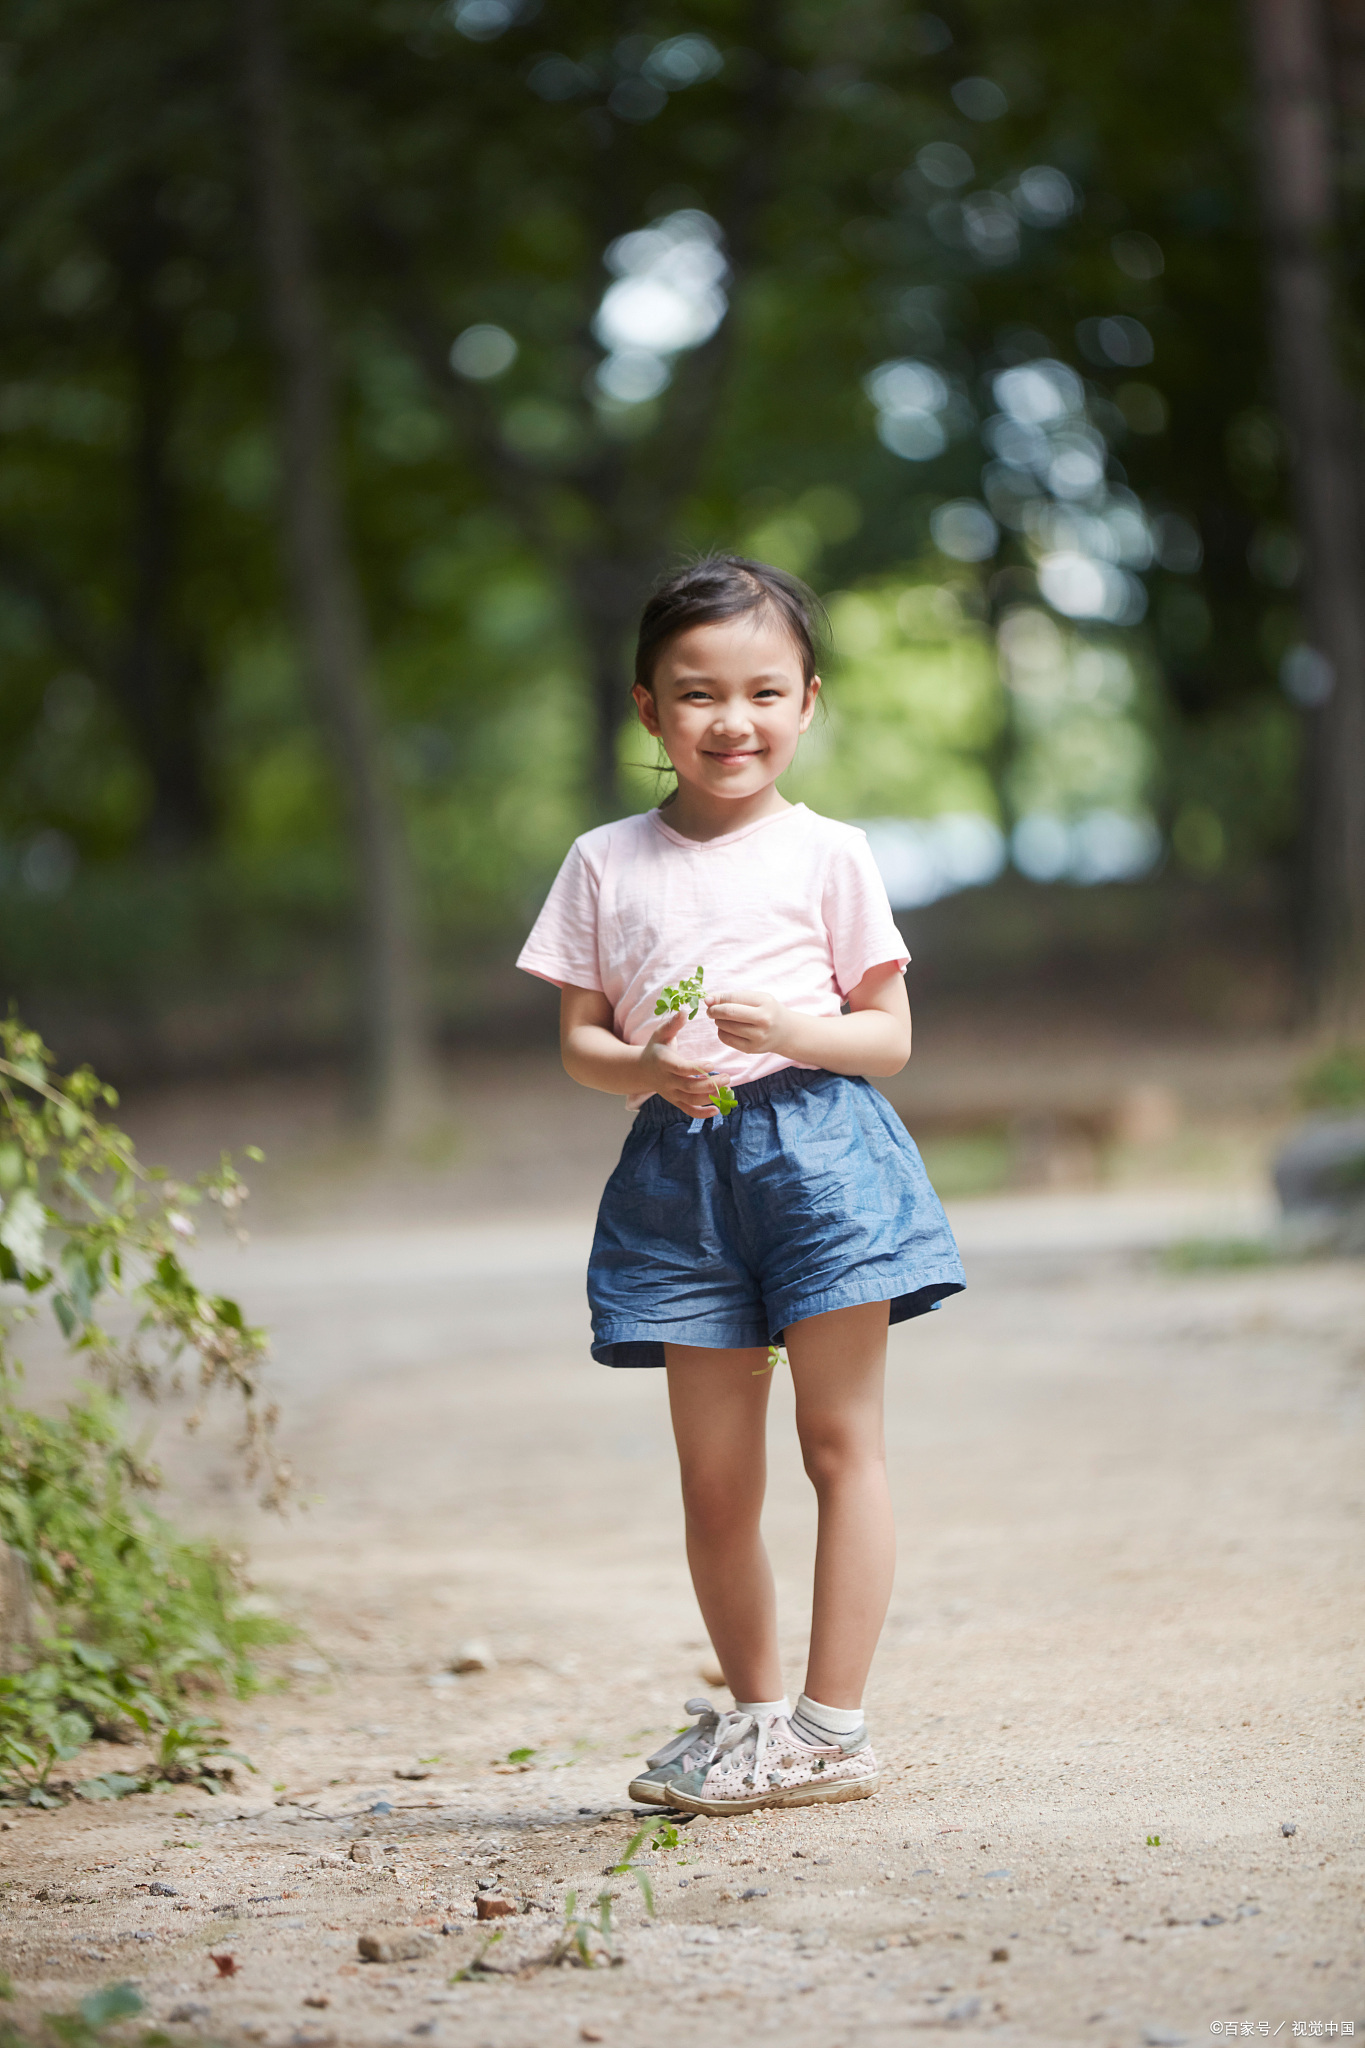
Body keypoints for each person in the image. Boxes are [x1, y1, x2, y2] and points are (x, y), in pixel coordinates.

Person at [516, 556, 964, 1815]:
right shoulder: (605, 861)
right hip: (679, 1173)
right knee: (716, 1476)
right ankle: (760, 1719)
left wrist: (797, 1030)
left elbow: (889, 1035)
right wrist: (648, 1068)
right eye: (698, 692)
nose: (734, 719)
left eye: (765, 690)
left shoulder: (833, 853)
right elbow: (580, 1043)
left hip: (826, 1156)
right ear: (649, 709)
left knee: (839, 1444)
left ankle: (833, 1724)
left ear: (808, 701)